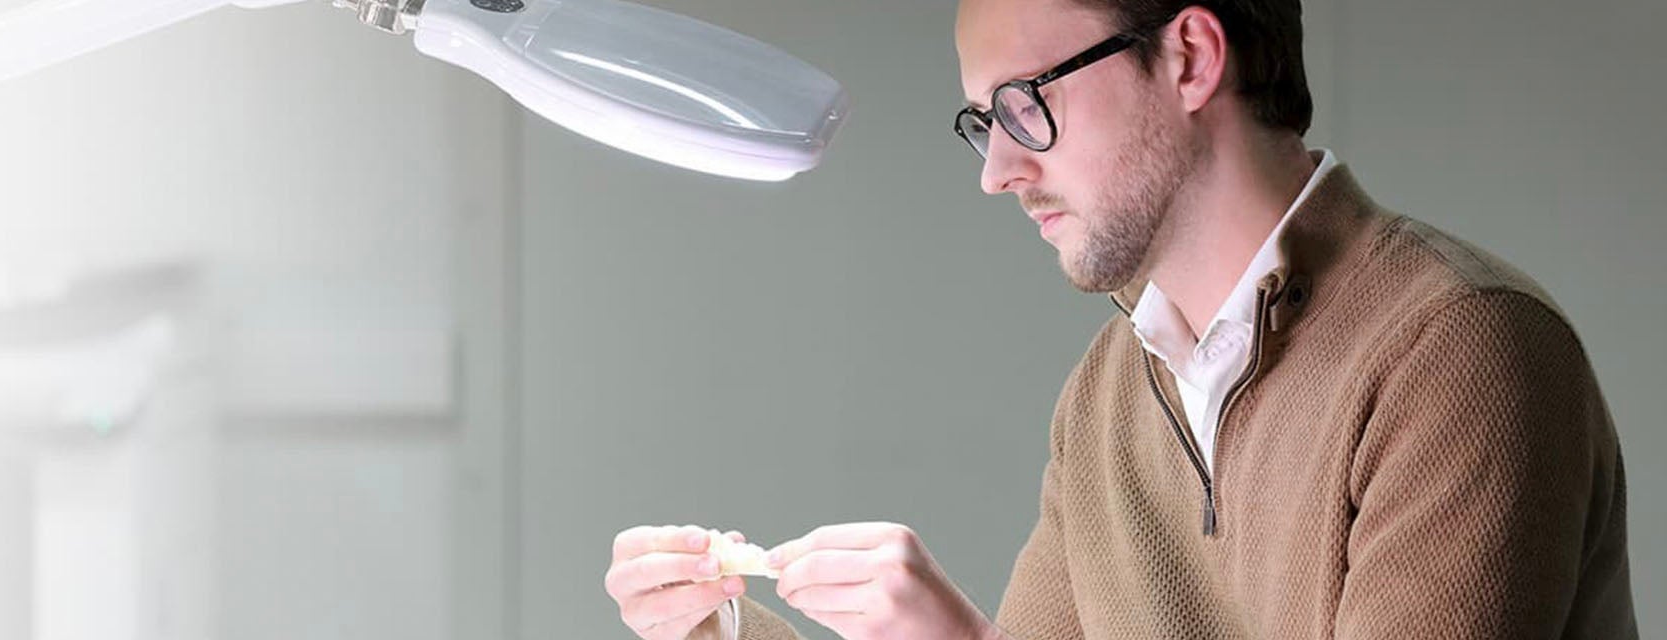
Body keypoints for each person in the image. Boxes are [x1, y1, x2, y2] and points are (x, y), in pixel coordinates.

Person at [603, 0, 1638, 637]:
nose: (1000, 171)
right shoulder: (1110, 390)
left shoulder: (1462, 349)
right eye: (983, 123)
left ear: (1189, 55)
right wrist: (723, 631)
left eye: (1025, 104)